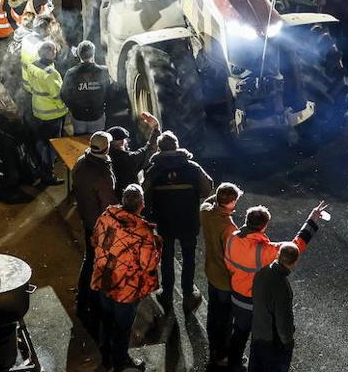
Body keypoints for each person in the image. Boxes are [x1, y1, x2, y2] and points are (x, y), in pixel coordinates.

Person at [224, 201, 327, 369]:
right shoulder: (264, 251)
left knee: (239, 333)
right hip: (254, 302)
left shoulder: (232, 238)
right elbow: (294, 247)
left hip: (236, 296)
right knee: (258, 338)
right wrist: (312, 220)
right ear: (264, 226)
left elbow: (228, 264)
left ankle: (233, 363)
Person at [90, 184, 161, 372]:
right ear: (141, 205)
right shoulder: (143, 231)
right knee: (122, 327)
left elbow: (94, 240)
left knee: (106, 319)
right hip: (126, 287)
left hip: (105, 278)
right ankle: (120, 361)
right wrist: (158, 249)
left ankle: (105, 356)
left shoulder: (106, 217)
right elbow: (148, 265)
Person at [143, 131, 214, 313]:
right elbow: (207, 190)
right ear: (176, 146)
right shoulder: (191, 167)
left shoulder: (153, 169)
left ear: (159, 148)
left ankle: (166, 293)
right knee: (188, 256)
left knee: (166, 256)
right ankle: (188, 294)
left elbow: (145, 194)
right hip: (188, 219)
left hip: (164, 220)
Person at [72, 131, 116, 326]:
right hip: (99, 224)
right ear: (106, 148)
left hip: (86, 216)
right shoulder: (102, 174)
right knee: (98, 260)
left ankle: (83, 298)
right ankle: (92, 301)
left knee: (89, 258)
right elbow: (108, 204)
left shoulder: (81, 162)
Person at [200, 182, 242, 368]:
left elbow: (208, 201)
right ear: (232, 202)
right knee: (226, 320)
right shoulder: (230, 228)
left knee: (213, 313)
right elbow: (233, 257)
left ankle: (213, 347)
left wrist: (218, 198)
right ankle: (222, 354)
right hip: (225, 279)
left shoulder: (206, 212)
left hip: (211, 272)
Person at [21, 39, 67, 186]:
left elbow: (29, 85)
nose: (56, 52)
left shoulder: (32, 65)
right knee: (51, 146)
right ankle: (48, 175)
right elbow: (58, 95)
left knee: (41, 142)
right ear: (47, 53)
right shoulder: (51, 74)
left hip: (38, 110)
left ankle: (40, 168)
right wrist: (66, 107)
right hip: (52, 114)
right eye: (53, 50)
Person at [250, 243, 300, 372]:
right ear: (294, 263)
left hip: (257, 330)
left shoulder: (262, 272)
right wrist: (287, 341)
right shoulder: (282, 286)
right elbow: (283, 319)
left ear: (278, 255)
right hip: (272, 340)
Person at [61, 40, 112, 134]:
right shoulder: (103, 71)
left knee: (80, 143)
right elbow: (109, 93)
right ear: (93, 54)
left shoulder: (71, 73)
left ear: (79, 54)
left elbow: (65, 95)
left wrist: (73, 109)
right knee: (98, 143)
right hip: (97, 115)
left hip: (79, 117)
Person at [108, 114, 159, 199]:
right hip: (129, 201)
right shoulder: (130, 159)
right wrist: (156, 128)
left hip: (110, 203)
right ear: (122, 142)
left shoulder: (101, 159)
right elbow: (150, 149)